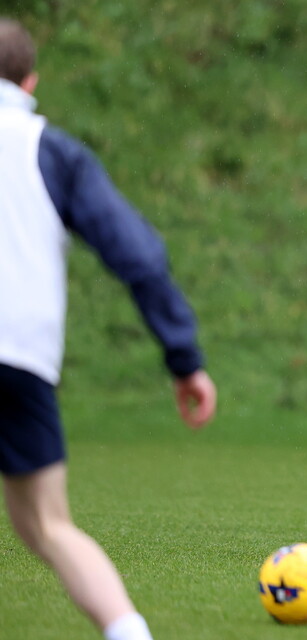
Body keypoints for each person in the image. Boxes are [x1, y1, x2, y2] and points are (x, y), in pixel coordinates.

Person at [0, 18, 217, 640]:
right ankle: (128, 634)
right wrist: (184, 357)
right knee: (47, 525)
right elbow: (139, 256)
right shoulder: (53, 150)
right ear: (31, 80)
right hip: (19, 354)